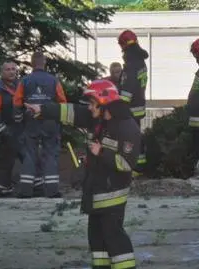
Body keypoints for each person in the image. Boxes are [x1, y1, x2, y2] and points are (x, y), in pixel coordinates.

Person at [25, 79, 140, 269]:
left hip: (112, 195)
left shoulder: (127, 128)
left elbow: (127, 163)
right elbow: (70, 111)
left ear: (104, 103)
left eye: (92, 103)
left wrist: (101, 153)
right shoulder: (96, 119)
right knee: (96, 240)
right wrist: (42, 110)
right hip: (95, 192)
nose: (89, 108)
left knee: (114, 237)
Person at [13, 52, 66, 198]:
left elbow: (17, 102)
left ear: (31, 63)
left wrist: (18, 118)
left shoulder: (25, 81)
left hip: (31, 120)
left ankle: (26, 191)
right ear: (44, 63)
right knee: (50, 153)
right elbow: (62, 102)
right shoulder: (53, 80)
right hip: (50, 120)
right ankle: (52, 191)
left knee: (29, 153)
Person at [0, 61, 23, 197]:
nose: (12, 72)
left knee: (29, 157)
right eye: (8, 69)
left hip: (21, 128)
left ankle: (31, 187)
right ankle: (4, 189)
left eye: (14, 69)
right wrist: (3, 132)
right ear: (2, 72)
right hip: (6, 130)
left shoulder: (20, 86)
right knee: (6, 161)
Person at [117, 29, 149, 175]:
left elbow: (128, 88)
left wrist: (119, 106)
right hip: (138, 106)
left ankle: (133, 167)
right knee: (136, 136)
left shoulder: (131, 64)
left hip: (129, 108)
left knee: (129, 138)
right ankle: (139, 166)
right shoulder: (140, 62)